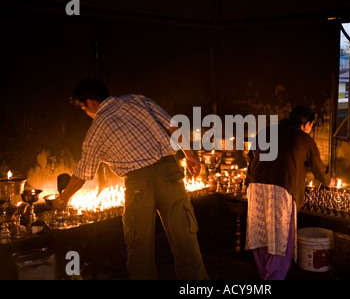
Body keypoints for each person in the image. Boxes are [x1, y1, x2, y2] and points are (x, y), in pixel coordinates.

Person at [54, 78, 209, 280]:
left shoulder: (97, 127)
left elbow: (83, 172)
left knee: (140, 247)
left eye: (84, 108)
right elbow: (172, 125)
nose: (87, 113)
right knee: (185, 239)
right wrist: (190, 155)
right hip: (169, 172)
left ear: (90, 102)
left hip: (139, 184)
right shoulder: (138, 100)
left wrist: (63, 198)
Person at [245, 105, 335, 280]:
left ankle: (266, 275)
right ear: (307, 124)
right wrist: (328, 181)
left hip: (255, 186)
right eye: (312, 126)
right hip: (282, 188)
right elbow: (318, 169)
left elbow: (251, 154)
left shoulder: (268, 131)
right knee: (281, 237)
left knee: (261, 232)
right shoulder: (304, 139)